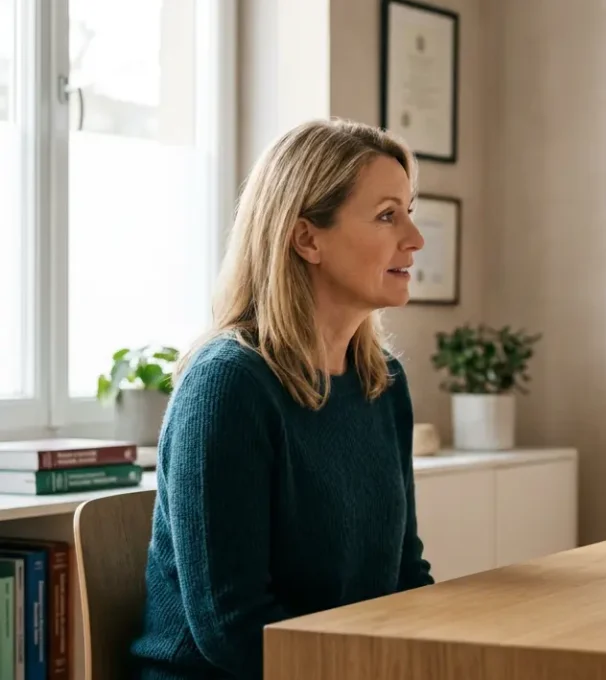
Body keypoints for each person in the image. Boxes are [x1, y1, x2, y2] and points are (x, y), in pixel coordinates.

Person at [130, 119, 433, 679]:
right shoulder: (228, 385)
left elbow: (404, 577)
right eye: (388, 215)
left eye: (409, 212)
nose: (414, 238)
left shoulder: (382, 381)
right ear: (307, 238)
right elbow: (233, 629)